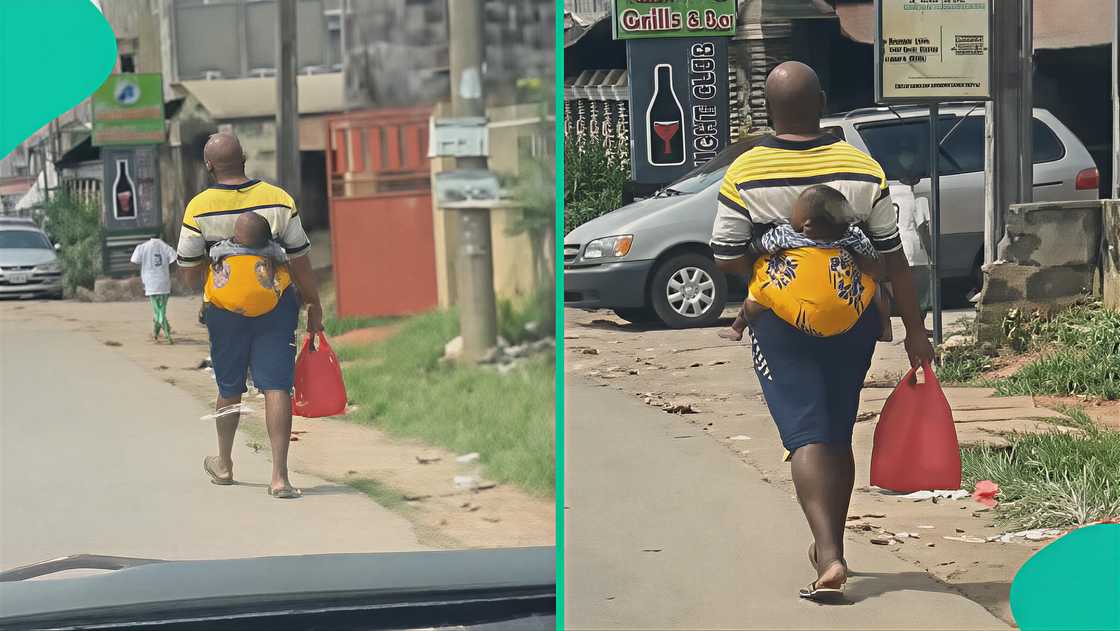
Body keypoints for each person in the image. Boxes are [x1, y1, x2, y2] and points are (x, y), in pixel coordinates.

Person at [709, 61, 934, 601]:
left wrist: (773, 265)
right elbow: (892, 258)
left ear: (769, 110)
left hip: (782, 323)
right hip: (852, 318)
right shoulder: (862, 167)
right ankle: (830, 545)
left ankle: (829, 555)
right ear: (823, 102)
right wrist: (915, 330)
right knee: (836, 428)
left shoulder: (746, 171)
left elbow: (725, 253)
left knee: (805, 432)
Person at [176, 132, 323, 499]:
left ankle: (225, 464)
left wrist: (214, 285)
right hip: (276, 306)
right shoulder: (278, 199)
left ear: (208, 165)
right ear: (244, 158)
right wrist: (313, 303)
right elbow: (300, 259)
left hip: (225, 312)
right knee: (276, 386)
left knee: (229, 387)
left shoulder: (199, 207)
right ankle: (279, 477)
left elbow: (188, 270)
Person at [718, 185, 892, 342]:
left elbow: (758, 247)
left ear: (806, 225)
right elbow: (871, 256)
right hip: (848, 315)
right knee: (877, 288)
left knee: (757, 290)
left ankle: (738, 327)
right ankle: (885, 327)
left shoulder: (786, 234)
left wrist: (753, 255)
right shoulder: (852, 234)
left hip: (805, 315)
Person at [206, 212, 290, 317]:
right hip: (266, 303)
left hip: (227, 301)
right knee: (284, 272)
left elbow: (213, 256)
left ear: (236, 234)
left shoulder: (223, 249)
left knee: (213, 271)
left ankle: (207, 303)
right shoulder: (273, 251)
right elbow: (284, 260)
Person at [130, 236, 177, 344]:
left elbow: (134, 260)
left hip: (150, 282)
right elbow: (174, 258)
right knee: (161, 310)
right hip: (164, 282)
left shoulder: (142, 247)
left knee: (157, 310)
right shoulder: (165, 247)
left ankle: (166, 334)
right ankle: (161, 332)